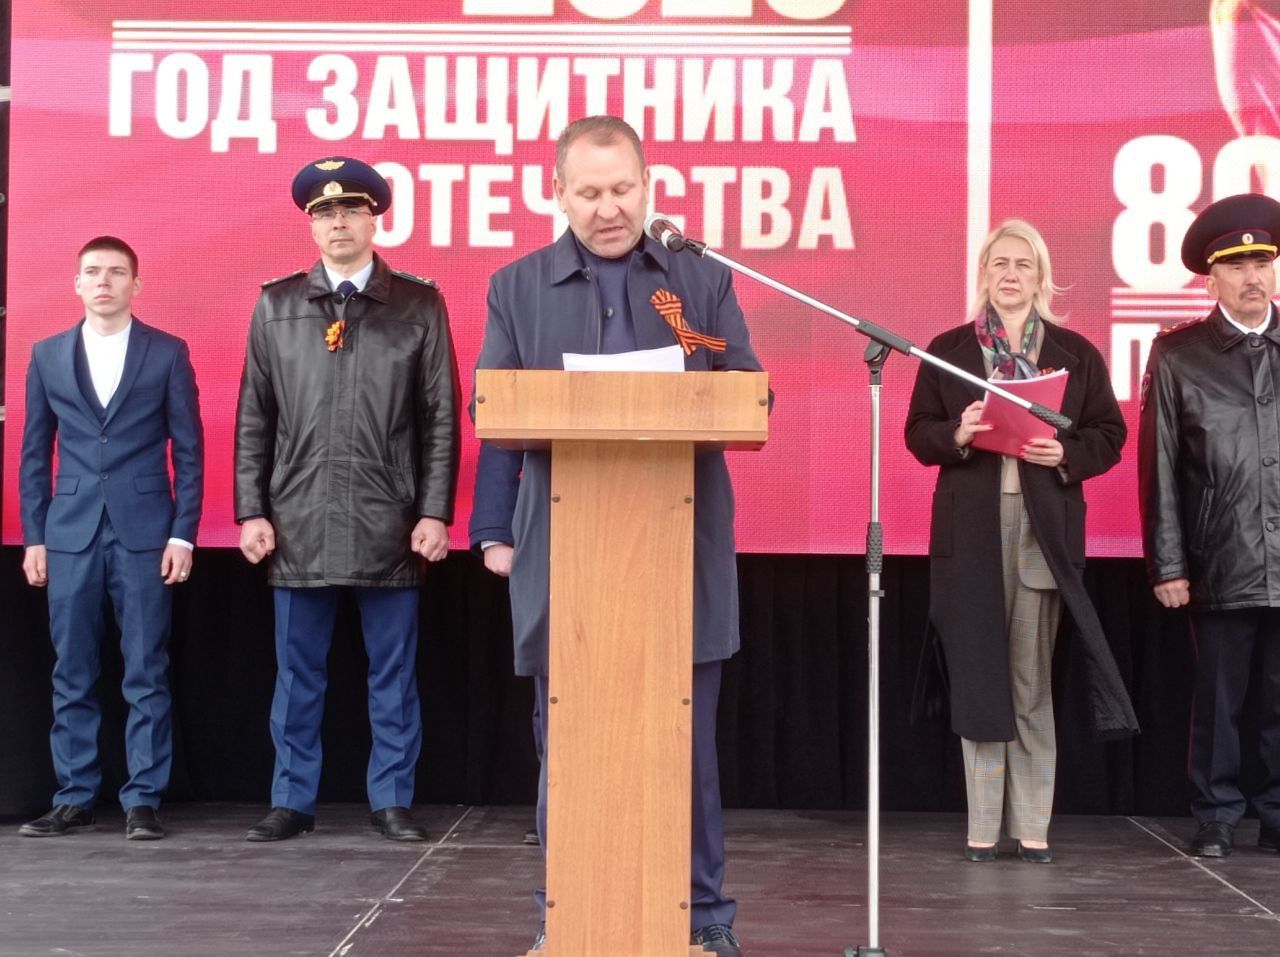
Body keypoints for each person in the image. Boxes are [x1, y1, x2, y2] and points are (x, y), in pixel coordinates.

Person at [472, 115, 759, 956]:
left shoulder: (700, 279)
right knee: (569, 748)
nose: (609, 208)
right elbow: (498, 410)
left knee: (686, 750)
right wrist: (491, 528)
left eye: (623, 189)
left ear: (649, 186)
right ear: (558, 193)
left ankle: (702, 917)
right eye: (590, 192)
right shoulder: (517, 287)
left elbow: (745, 385)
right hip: (567, 556)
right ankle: (566, 915)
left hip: (681, 549)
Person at [234, 157, 461, 843]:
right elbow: (254, 417)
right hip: (297, 517)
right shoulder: (277, 304)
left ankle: (391, 799)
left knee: (393, 673)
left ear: (374, 220)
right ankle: (291, 800)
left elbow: (441, 417)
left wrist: (434, 511)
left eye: (351, 210)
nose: (338, 222)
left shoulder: (418, 304)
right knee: (296, 674)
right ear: (312, 226)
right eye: (325, 213)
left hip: (390, 518)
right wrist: (252, 509)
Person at [905, 220, 1137, 864]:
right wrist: (958, 432)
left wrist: (1065, 453)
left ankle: (1033, 826)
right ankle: (983, 828)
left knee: (1030, 682)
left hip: (1043, 531)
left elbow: (1109, 435)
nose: (1010, 275)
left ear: (1042, 279)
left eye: (1023, 264)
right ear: (983, 272)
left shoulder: (1074, 352)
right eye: (1000, 263)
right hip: (972, 535)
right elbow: (917, 433)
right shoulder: (947, 350)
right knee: (979, 678)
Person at [18, 236, 204, 841]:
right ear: (77, 283)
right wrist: (35, 536)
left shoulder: (167, 352)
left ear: (136, 284)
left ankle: (143, 798)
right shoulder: (47, 354)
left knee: (146, 668)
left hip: (146, 533)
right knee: (72, 669)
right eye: (93, 272)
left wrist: (183, 535)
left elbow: (190, 451)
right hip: (68, 534)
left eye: (117, 272)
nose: (104, 281)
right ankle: (74, 796)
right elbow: (34, 454)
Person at [1138, 192, 1280, 858]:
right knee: (1219, 698)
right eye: (1238, 265)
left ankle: (1277, 813)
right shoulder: (1179, 354)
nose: (1253, 276)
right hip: (1221, 555)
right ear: (1211, 278)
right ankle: (1218, 814)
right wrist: (1168, 563)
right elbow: (1160, 465)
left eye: (1263, 262)